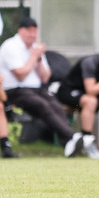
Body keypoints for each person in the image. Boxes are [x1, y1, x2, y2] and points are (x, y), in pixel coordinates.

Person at [0, 17, 77, 152]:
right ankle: (72, 138)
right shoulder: (10, 46)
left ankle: (68, 143)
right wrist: (33, 56)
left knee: (57, 106)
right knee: (42, 105)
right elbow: (20, 75)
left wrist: (39, 59)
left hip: (36, 89)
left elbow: (45, 77)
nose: (32, 35)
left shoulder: (35, 48)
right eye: (29, 31)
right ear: (20, 31)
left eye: (35, 31)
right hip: (16, 91)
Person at [55, 38, 99, 159]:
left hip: (87, 93)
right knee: (91, 100)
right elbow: (91, 90)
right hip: (68, 92)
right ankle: (87, 143)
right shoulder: (90, 62)